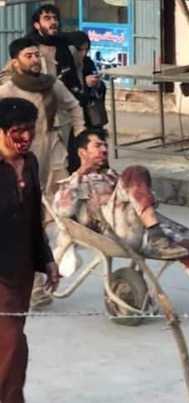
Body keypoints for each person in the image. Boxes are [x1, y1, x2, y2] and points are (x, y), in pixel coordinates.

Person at [53, 129, 189, 317]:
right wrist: (79, 179)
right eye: (98, 145)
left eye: (105, 146)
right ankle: (155, 233)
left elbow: (142, 199)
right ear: (82, 152)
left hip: (138, 228)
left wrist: (140, 196)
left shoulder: (112, 177)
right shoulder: (72, 183)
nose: (104, 150)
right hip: (112, 231)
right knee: (134, 172)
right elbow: (63, 212)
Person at [0, 36, 85, 309]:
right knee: (28, 217)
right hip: (20, 155)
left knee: (59, 208)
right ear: (15, 62)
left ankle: (60, 254)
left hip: (52, 148)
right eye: (29, 56)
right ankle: (35, 285)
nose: (35, 60)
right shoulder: (8, 90)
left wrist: (81, 135)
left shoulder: (51, 84)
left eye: (37, 54)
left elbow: (73, 106)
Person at [0, 97, 60, 403]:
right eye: (17, 131)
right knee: (11, 345)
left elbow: (34, 218)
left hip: (22, 269)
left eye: (30, 129)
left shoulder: (31, 163)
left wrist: (47, 259)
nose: (26, 137)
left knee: (11, 346)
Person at [64, 30, 107, 173]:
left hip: (90, 118)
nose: (83, 54)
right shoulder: (65, 67)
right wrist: (83, 84)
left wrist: (96, 84)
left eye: (86, 50)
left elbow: (99, 88)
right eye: (79, 50)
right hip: (71, 120)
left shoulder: (88, 62)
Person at [25, 4, 81, 97]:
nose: (53, 22)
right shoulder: (27, 46)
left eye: (55, 18)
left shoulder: (65, 46)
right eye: (47, 18)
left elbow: (74, 77)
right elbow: (8, 75)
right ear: (37, 25)